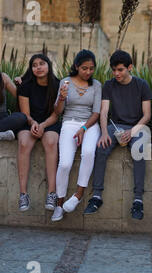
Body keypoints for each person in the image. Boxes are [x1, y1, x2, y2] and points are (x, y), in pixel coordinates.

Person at [83, 50, 152, 220]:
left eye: (120, 70)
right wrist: (104, 133)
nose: (116, 74)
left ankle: (138, 200)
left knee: (139, 149)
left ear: (130, 67)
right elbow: (104, 111)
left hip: (136, 126)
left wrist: (132, 131)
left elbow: (147, 115)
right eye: (114, 70)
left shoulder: (141, 85)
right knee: (101, 147)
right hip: (115, 126)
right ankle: (96, 196)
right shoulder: (109, 85)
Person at [51, 50, 102, 222]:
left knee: (88, 152)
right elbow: (58, 112)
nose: (88, 72)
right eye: (84, 68)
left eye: (91, 68)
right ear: (76, 67)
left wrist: (84, 129)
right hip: (69, 122)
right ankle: (59, 204)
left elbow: (96, 113)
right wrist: (61, 98)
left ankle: (78, 195)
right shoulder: (65, 82)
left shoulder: (96, 85)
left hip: (90, 124)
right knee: (64, 163)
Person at [16, 54, 61, 212]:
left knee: (50, 142)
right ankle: (23, 194)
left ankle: (52, 193)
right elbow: (25, 114)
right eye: (34, 65)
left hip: (50, 122)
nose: (38, 67)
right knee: (24, 143)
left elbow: (56, 114)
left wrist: (43, 125)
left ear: (48, 65)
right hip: (30, 122)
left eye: (42, 64)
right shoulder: (25, 86)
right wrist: (34, 123)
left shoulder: (57, 85)